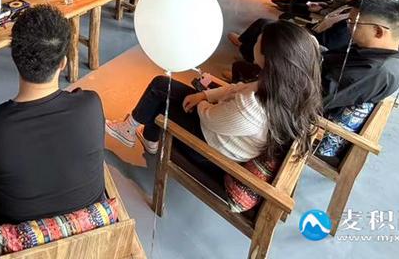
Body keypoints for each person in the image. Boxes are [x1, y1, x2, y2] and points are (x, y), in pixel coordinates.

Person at [105, 21, 321, 173]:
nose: (255, 41)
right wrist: (205, 94)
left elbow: (210, 119)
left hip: (213, 150)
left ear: (267, 56)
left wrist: (202, 103)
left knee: (161, 95)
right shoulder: (284, 85)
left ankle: (131, 129)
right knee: (164, 89)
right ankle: (144, 136)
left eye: (259, 40)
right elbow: (236, 89)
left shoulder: (250, 108)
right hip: (229, 135)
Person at [0, 6, 104, 225]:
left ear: (15, 58)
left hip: (23, 237)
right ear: (63, 63)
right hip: (91, 233)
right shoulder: (91, 105)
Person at [229, 0, 393, 82]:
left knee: (267, 26)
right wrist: (321, 10)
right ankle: (246, 46)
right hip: (312, 35)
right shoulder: (353, 8)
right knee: (274, 20)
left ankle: (252, 60)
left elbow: (323, 44)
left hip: (308, 45)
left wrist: (300, 30)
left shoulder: (354, 23)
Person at [320, 0, 399, 111]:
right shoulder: (371, 52)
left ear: (378, 32)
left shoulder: (373, 72)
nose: (348, 27)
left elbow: (314, 98)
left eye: (353, 23)